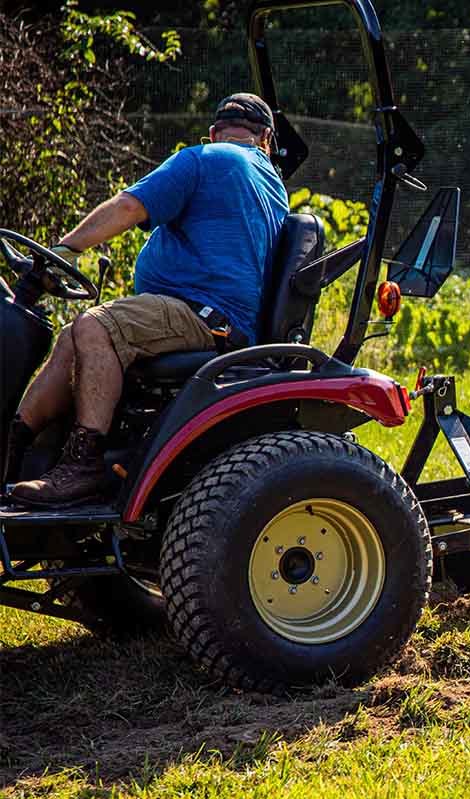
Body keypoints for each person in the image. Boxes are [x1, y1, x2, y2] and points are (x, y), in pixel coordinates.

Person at [7, 93, 289, 507]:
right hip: (220, 317)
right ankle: (13, 452)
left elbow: (128, 207)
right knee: (73, 337)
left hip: (203, 313)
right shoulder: (273, 186)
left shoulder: (205, 159)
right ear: (266, 139)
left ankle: (83, 467)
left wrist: (65, 250)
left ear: (213, 132)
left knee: (95, 326)